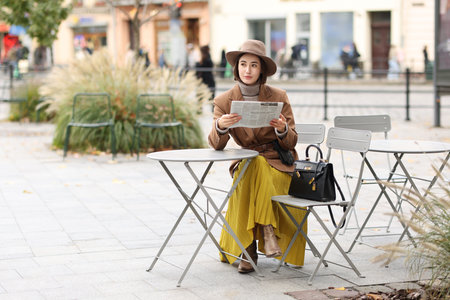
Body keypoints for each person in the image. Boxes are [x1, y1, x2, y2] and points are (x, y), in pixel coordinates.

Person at [208, 39, 306, 274]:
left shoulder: (278, 96)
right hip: (248, 163)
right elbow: (215, 144)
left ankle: (248, 250)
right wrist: (221, 126)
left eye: (253, 65)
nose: (248, 70)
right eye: (243, 64)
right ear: (236, 68)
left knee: (254, 169)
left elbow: (292, 142)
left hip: (278, 166)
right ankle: (266, 230)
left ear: (261, 69)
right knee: (253, 165)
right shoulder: (223, 101)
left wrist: (282, 129)